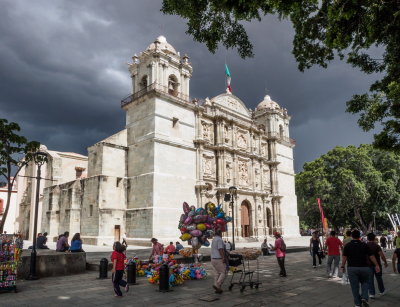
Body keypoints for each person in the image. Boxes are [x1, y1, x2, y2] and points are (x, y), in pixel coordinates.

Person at [342, 229, 380, 307]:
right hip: (364, 268)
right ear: (359, 236)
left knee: (354, 287)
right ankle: (364, 298)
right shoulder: (364, 245)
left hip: (352, 268)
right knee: (365, 283)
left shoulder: (347, 246)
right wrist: (376, 265)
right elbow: (371, 256)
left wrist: (342, 266)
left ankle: (357, 303)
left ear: (352, 236)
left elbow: (344, 257)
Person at [366, 233, 387, 298]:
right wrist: (385, 262)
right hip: (377, 265)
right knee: (379, 278)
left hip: (368, 265)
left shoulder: (365, 246)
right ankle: (382, 291)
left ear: (367, 238)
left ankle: (372, 293)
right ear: (374, 238)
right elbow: (382, 255)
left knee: (370, 279)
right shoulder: (376, 246)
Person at [211, 229, 226, 294]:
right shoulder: (219, 239)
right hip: (218, 258)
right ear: (220, 233)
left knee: (216, 273)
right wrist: (223, 257)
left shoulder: (214, 239)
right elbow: (220, 249)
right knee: (223, 272)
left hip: (213, 259)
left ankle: (217, 288)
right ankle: (217, 284)